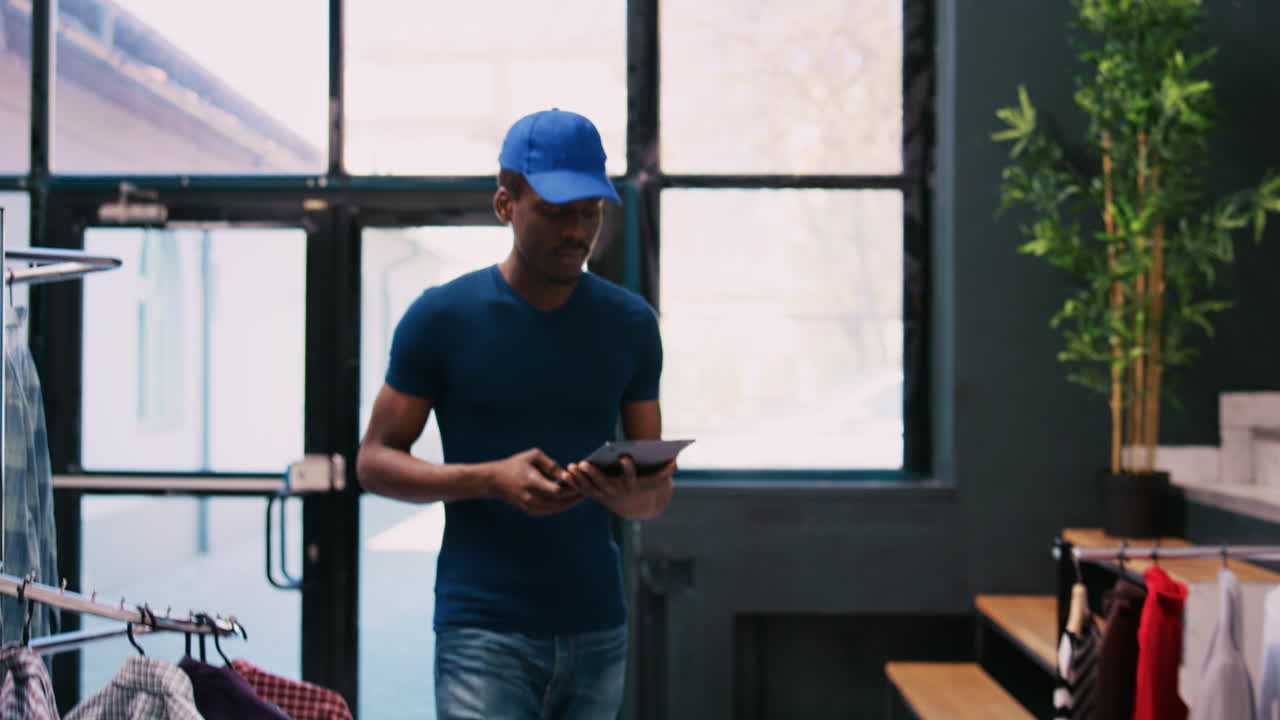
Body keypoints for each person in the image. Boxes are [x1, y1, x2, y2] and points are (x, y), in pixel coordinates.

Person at [356, 108, 675, 720]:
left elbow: (653, 498)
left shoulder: (631, 325)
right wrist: (487, 478)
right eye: (557, 211)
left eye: (591, 211)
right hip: (483, 630)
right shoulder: (442, 318)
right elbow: (373, 463)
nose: (579, 230)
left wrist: (623, 492)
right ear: (505, 205)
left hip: (598, 627)